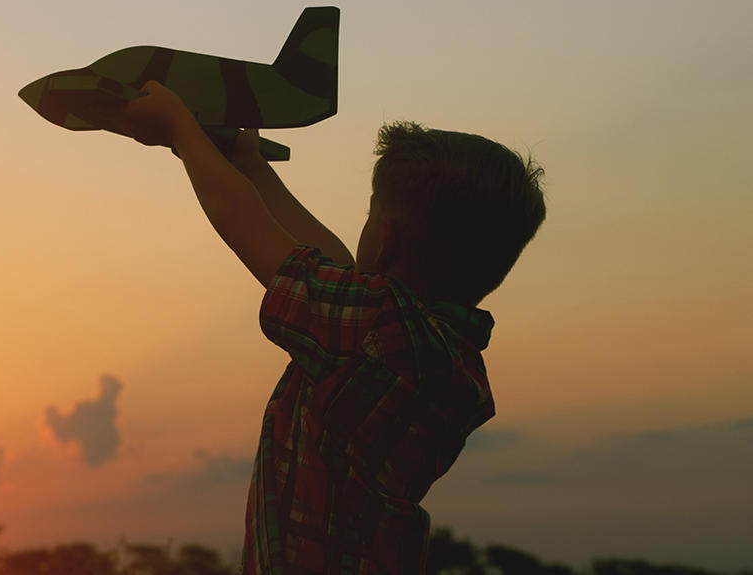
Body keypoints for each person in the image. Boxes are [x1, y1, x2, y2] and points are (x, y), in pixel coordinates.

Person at [113, 80, 547, 574]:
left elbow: (243, 223)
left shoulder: (380, 331)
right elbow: (326, 263)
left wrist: (182, 131)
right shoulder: (440, 354)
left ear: (385, 239)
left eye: (368, 217)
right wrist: (252, 166)